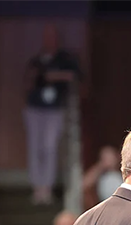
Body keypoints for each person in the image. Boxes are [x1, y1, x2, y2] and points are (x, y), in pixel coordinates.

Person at [23, 25, 80, 205]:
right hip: (34, 108)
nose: (50, 40)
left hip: (55, 108)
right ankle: (36, 188)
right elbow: (29, 80)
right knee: (35, 148)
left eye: (52, 37)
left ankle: (46, 188)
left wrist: (53, 76)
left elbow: (73, 76)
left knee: (49, 147)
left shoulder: (65, 59)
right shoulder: (36, 60)